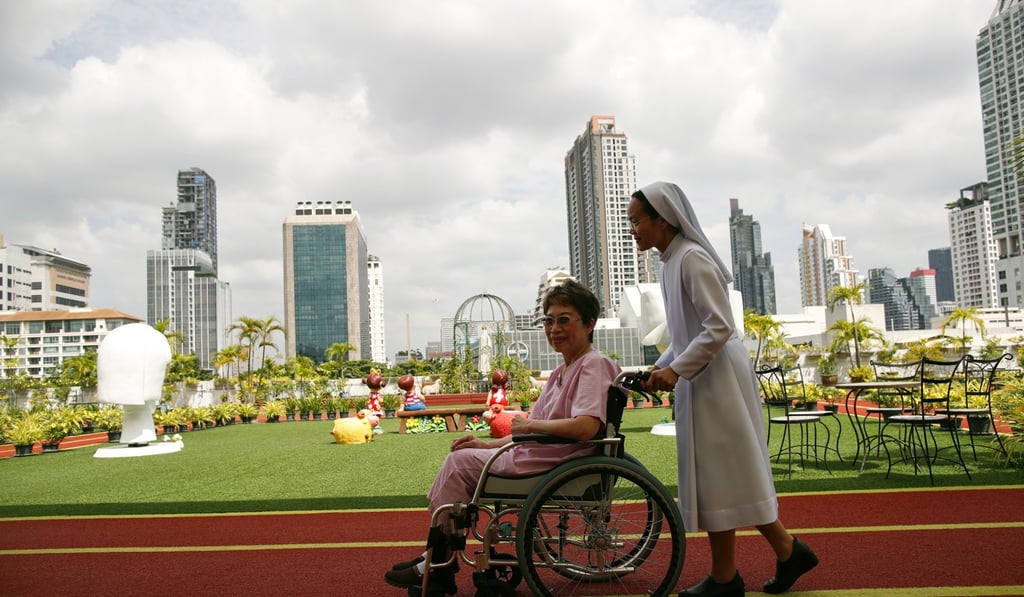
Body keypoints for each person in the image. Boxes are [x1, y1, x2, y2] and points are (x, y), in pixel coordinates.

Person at [628, 181, 818, 597]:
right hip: (704, 375)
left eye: (637, 221)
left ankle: (728, 577)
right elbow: (684, 336)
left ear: (662, 219)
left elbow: (719, 326)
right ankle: (780, 555)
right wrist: (658, 368)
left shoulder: (692, 259)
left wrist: (676, 371)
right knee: (723, 473)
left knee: (722, 471)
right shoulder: (669, 261)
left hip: (718, 378)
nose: (633, 229)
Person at [384, 279, 621, 593]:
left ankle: (437, 562)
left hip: (553, 464)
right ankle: (437, 558)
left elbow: (585, 427)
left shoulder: (592, 365)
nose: (554, 328)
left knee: (457, 464)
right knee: (462, 455)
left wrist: (530, 426)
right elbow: (527, 433)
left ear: (590, 324)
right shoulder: (564, 370)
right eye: (549, 321)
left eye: (564, 320)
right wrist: (487, 444)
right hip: (540, 456)